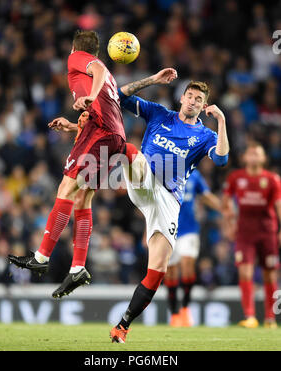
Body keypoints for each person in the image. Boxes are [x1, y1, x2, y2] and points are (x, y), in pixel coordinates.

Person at [109, 74, 229, 343]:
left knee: (158, 272)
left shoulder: (205, 135)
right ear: (181, 98)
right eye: (190, 96)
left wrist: (221, 121)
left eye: (200, 99)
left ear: (204, 106)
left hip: (168, 201)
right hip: (146, 182)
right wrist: (152, 79)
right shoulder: (159, 113)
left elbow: (221, 159)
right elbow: (119, 96)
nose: (194, 101)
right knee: (129, 150)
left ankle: (122, 325)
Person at [8, 30, 127, 298]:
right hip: (113, 135)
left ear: (75, 49)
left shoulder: (79, 60)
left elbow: (96, 67)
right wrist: (74, 126)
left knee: (65, 189)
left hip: (99, 132)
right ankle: (78, 267)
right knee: (83, 199)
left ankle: (41, 256)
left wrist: (89, 98)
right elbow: (105, 101)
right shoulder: (109, 79)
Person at [223, 142, 281, 329]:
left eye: (258, 154)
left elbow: (279, 205)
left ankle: (270, 318)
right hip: (244, 232)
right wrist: (230, 222)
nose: (254, 157)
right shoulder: (235, 177)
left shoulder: (272, 179)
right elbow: (226, 201)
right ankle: (250, 316)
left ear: (263, 158)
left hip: (267, 231)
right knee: (245, 271)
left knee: (270, 275)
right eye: (251, 153)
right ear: (245, 158)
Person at [164, 169, 221, 327]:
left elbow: (206, 195)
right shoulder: (163, 173)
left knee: (187, 264)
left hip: (189, 230)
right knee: (171, 272)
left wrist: (224, 208)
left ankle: (185, 309)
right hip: (168, 229)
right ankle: (174, 313)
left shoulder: (194, 175)